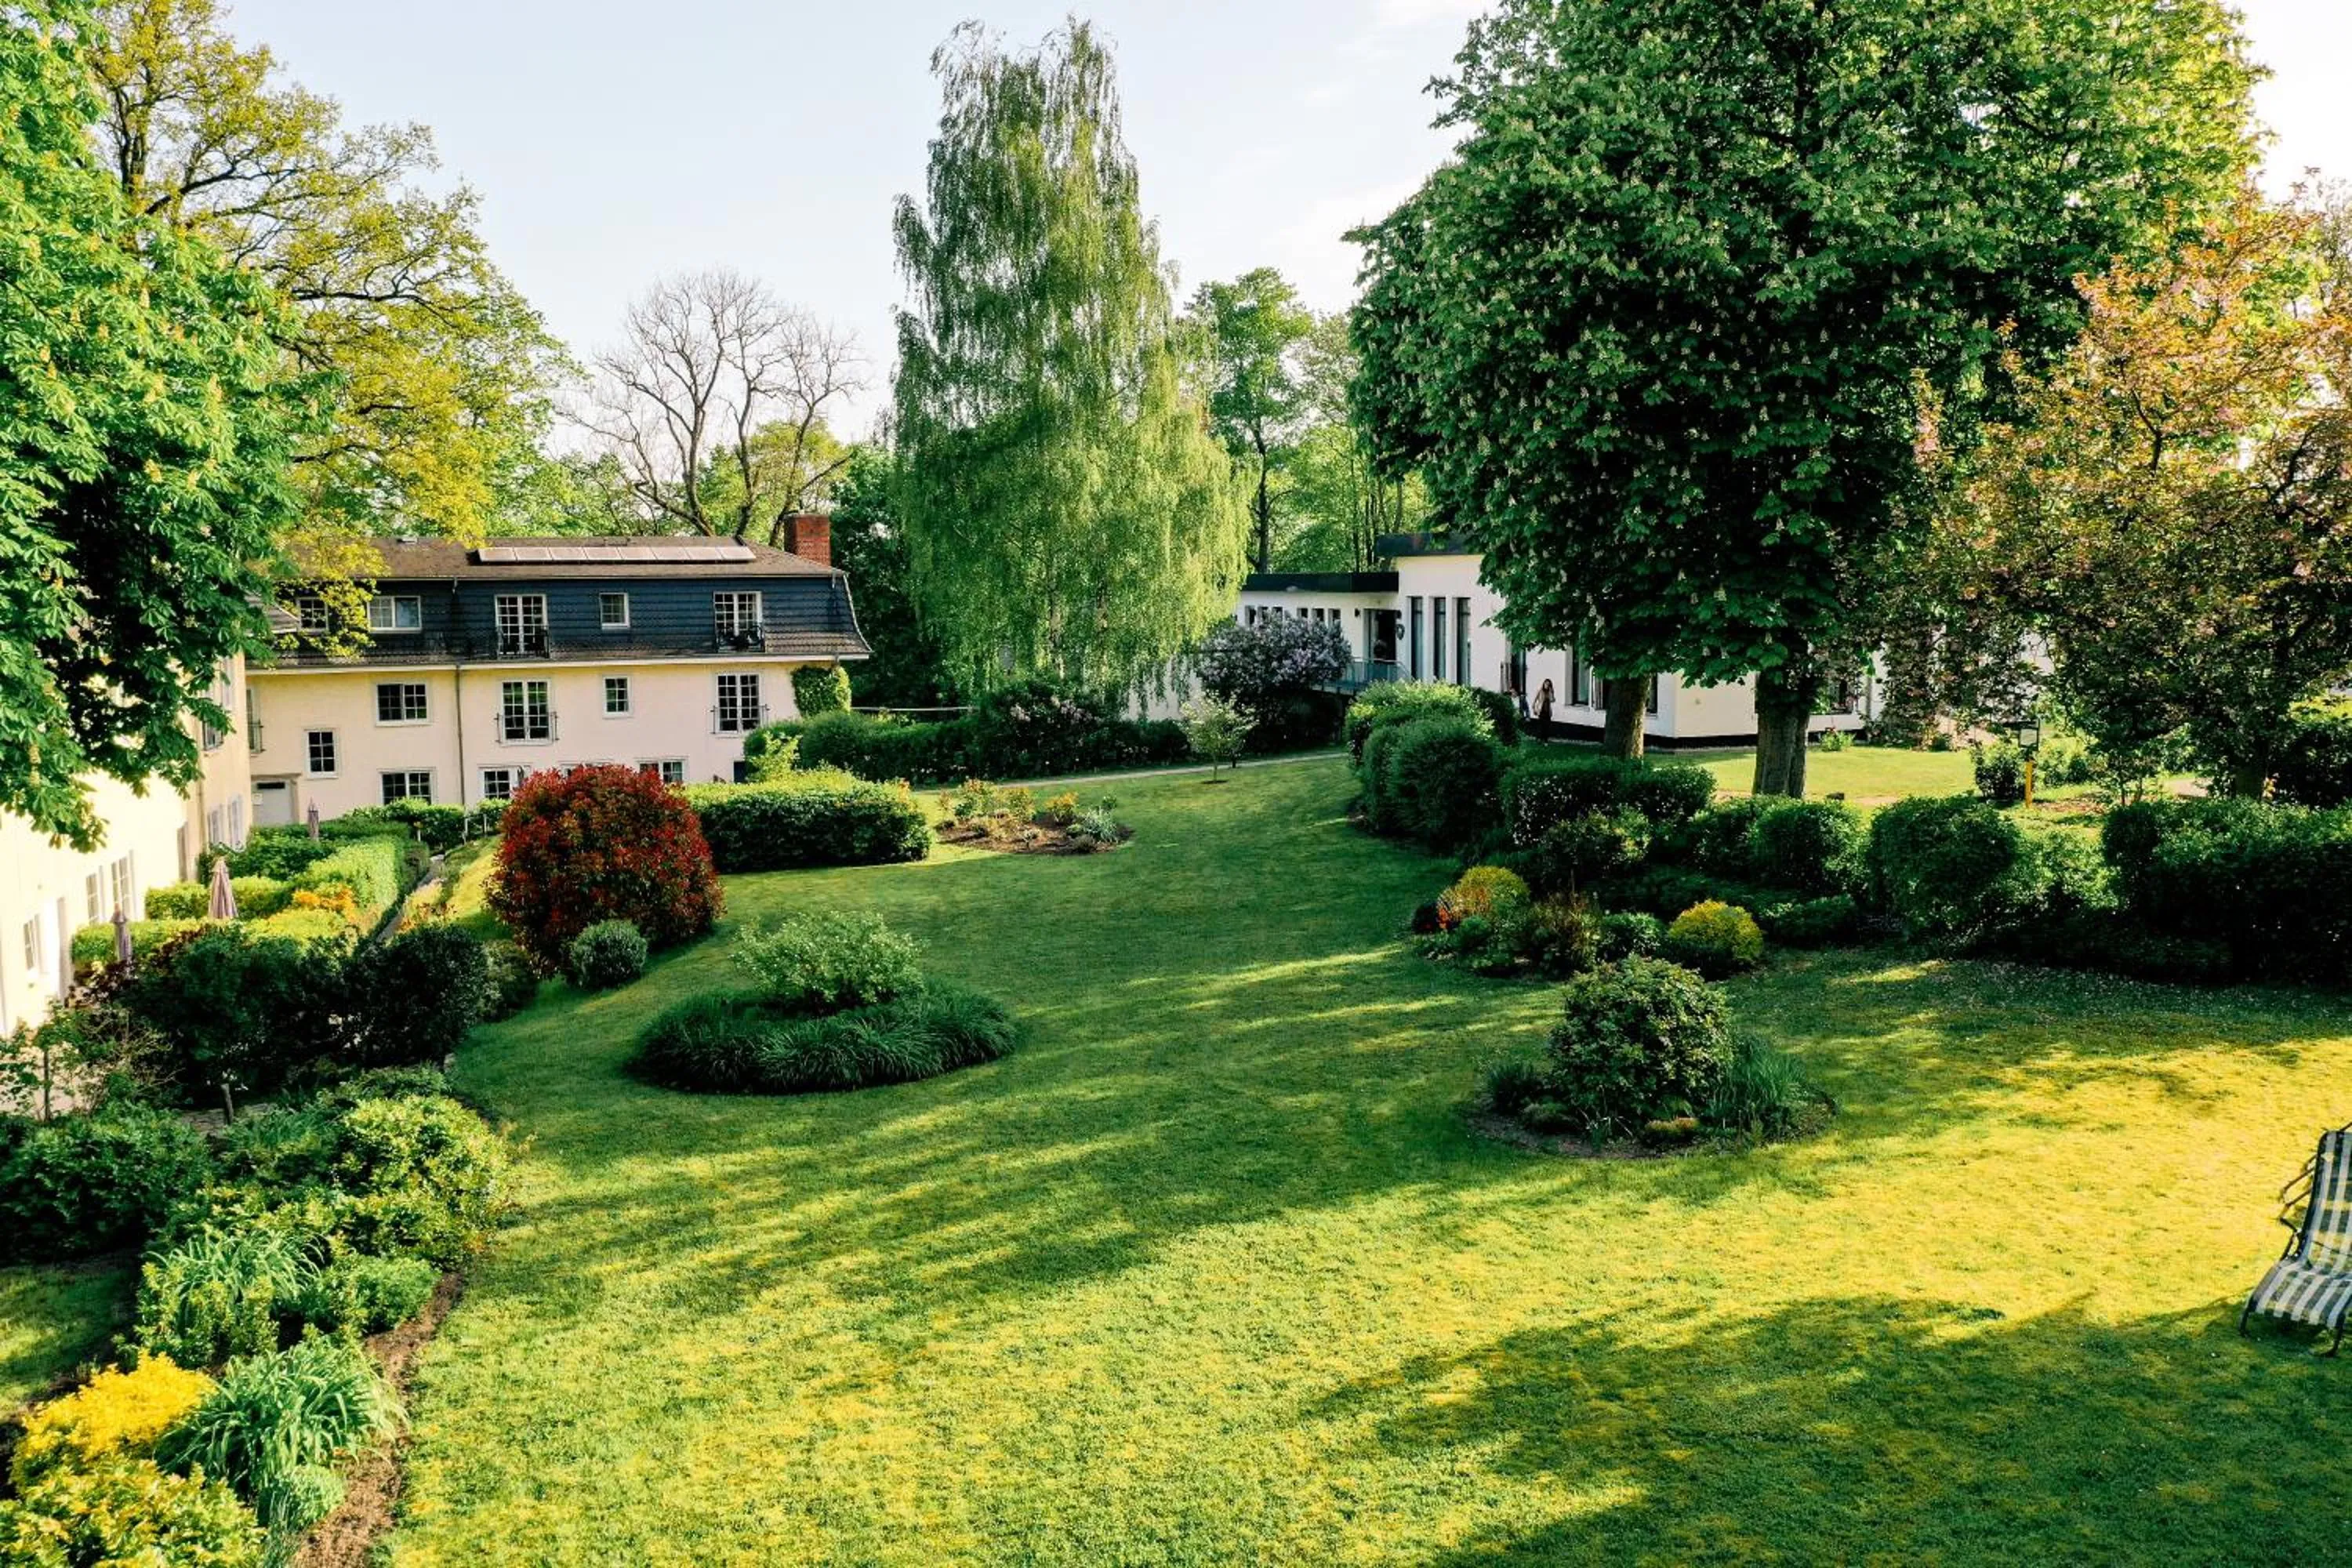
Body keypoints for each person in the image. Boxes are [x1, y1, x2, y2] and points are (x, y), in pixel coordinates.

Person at [1534, 677, 1555, 741]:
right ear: (1544, 684)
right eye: (1546, 684)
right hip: (1541, 710)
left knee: (1547, 726)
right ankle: (1539, 738)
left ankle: (1545, 739)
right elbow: (1536, 699)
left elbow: (1552, 700)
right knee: (1541, 725)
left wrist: (1552, 692)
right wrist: (1534, 708)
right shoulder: (1540, 690)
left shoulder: (1550, 692)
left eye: (1548, 684)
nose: (1547, 685)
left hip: (1548, 711)